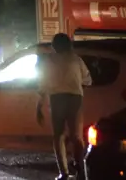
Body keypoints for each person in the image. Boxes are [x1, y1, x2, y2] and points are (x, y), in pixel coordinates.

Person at [37, 33, 92, 180]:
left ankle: (64, 172)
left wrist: (40, 104)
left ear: (54, 46)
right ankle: (81, 171)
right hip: (75, 97)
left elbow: (43, 83)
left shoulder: (49, 61)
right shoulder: (76, 60)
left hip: (57, 98)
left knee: (59, 136)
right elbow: (87, 80)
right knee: (76, 136)